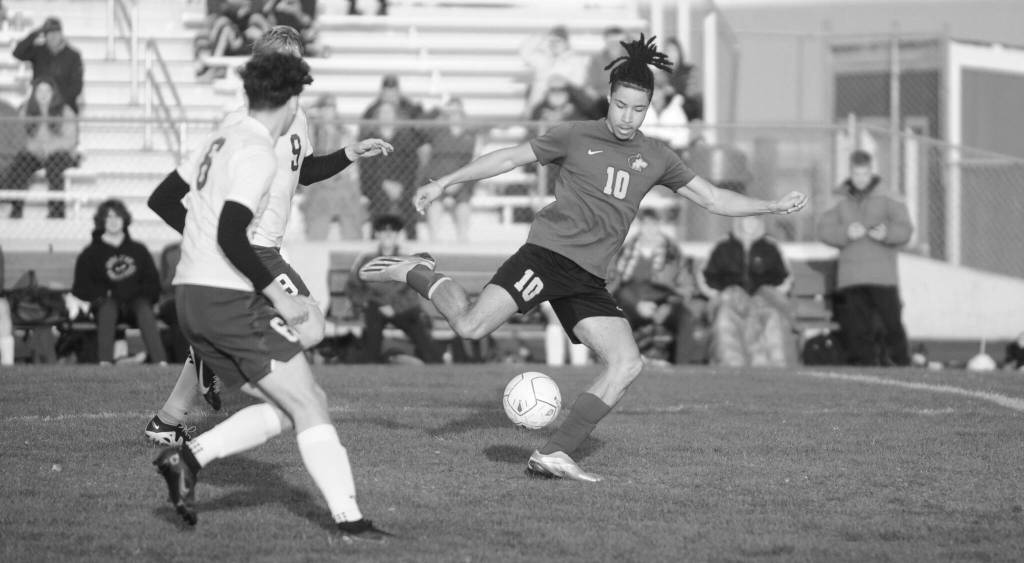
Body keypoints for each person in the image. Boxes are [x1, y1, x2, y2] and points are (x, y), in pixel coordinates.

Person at [359, 35, 808, 481]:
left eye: (639, 109)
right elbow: (509, 158)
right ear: (608, 99)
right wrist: (444, 183)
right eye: (621, 105)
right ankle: (419, 270)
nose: (628, 117)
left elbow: (711, 198)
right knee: (470, 325)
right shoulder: (575, 135)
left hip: (589, 279)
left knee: (628, 363)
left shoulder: (656, 156)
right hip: (547, 256)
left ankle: (555, 453)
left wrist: (770, 206)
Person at [150, 51, 391, 541]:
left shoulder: (221, 137)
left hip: (192, 293)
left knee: (293, 403)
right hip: (228, 296)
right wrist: (277, 297)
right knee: (310, 402)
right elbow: (235, 234)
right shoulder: (259, 151)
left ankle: (186, 456)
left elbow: (170, 196)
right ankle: (351, 521)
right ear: (291, 99)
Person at [818, 150, 913, 366]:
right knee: (856, 328)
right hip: (851, 276)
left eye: (864, 173)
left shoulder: (889, 197)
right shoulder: (839, 199)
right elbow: (823, 229)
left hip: (882, 276)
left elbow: (905, 229)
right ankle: (863, 366)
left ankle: (900, 362)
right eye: (856, 174)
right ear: (850, 172)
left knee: (891, 324)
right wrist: (845, 233)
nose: (860, 179)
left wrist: (886, 233)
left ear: (872, 171)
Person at [70, 199, 167, 365]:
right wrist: (105, 294)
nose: (113, 221)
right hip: (107, 303)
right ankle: (105, 362)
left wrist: (137, 293)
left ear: (124, 220)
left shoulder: (139, 250)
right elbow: (80, 287)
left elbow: (153, 283)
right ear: (101, 221)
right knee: (108, 308)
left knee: (144, 308)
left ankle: (161, 362)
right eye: (108, 217)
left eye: (117, 217)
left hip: (136, 301)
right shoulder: (90, 253)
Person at [697, 215, 796, 367]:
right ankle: (730, 364)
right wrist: (720, 294)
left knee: (772, 317)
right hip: (730, 300)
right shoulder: (723, 246)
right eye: (746, 218)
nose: (750, 223)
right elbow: (706, 276)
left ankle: (776, 365)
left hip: (763, 301)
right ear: (739, 221)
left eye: (754, 219)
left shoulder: (771, 247)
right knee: (725, 317)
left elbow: (785, 277)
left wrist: (767, 293)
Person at [346, 214, 443, 364]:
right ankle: (371, 362)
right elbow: (353, 287)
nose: (388, 234)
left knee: (429, 352)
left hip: (402, 307)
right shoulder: (366, 259)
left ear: (398, 234)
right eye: (383, 230)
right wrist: (369, 302)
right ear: (376, 234)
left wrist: (394, 307)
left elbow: (413, 289)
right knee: (372, 335)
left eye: (392, 231)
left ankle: (431, 360)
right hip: (375, 307)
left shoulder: (408, 259)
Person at [608, 208, 700, 365]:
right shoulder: (624, 251)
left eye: (654, 225)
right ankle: (618, 362)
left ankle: (683, 367)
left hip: (664, 300)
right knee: (621, 304)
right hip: (630, 301)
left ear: (660, 226)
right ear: (640, 226)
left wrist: (669, 306)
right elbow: (613, 284)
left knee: (686, 317)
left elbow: (687, 286)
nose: (650, 229)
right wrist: (637, 305)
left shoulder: (673, 252)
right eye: (646, 225)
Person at [2, 77, 79, 219]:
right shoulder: (26, 110)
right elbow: (19, 137)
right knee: (19, 165)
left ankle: (56, 213)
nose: (43, 94)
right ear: (34, 93)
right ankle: (15, 209)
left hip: (59, 154)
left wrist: (48, 148)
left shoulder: (65, 111)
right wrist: (36, 148)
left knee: (55, 167)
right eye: (40, 90)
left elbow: (70, 140)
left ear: (53, 93)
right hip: (34, 153)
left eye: (47, 90)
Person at [301, 94, 367, 240]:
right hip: (319, 185)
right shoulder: (312, 133)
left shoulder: (345, 134)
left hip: (340, 183)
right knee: (318, 207)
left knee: (350, 203)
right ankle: (315, 251)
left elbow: (351, 169)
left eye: (331, 107)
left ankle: (353, 252)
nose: (328, 111)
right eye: (324, 107)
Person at [359, 102, 423, 240]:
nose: (386, 116)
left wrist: (400, 185)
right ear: (378, 117)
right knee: (380, 203)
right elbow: (366, 169)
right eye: (383, 113)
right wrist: (384, 184)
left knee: (409, 206)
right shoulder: (370, 140)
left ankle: (411, 245)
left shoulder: (406, 139)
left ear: (395, 116)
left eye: (389, 112)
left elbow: (412, 166)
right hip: (376, 186)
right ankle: (376, 243)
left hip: (403, 186)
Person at [420, 97, 480, 242]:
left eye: (456, 110)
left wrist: (457, 182)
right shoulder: (437, 131)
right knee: (435, 200)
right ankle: (433, 239)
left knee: (463, 202)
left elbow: (475, 160)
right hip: (438, 179)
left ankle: (462, 238)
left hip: (461, 180)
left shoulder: (470, 135)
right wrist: (436, 111)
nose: (453, 114)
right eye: (450, 110)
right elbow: (419, 128)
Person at [13, 16, 83, 114]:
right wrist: (35, 33)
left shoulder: (73, 56)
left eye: (56, 32)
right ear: (44, 36)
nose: (53, 36)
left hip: (63, 108)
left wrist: (57, 102)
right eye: (49, 33)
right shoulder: (38, 51)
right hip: (39, 108)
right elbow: (18, 53)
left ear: (61, 34)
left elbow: (76, 86)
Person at [519, 26, 587, 112]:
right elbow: (525, 52)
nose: (553, 44)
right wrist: (541, 37)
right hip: (537, 106)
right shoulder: (542, 58)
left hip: (561, 106)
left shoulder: (575, 61)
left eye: (557, 41)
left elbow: (577, 85)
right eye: (551, 41)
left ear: (566, 43)